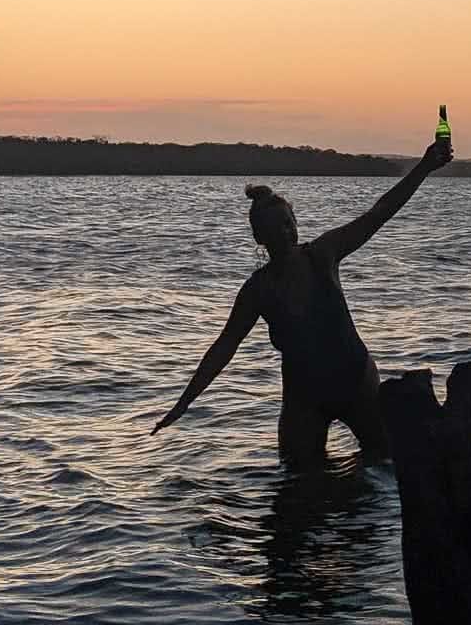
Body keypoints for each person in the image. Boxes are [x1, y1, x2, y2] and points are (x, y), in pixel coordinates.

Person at [152, 133, 454, 457]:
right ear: (259, 236)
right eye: (273, 227)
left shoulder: (323, 254)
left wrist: (424, 167)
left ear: (296, 222)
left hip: (356, 381)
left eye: (287, 223)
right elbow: (224, 347)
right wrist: (183, 404)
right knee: (296, 488)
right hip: (304, 397)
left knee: (384, 468)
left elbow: (378, 213)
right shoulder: (258, 289)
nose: (284, 232)